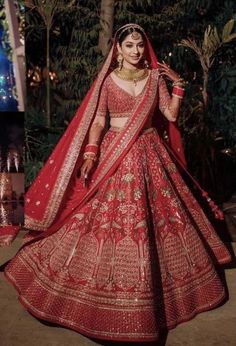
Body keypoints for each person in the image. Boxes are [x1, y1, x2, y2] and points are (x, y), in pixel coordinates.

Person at [4, 24, 231, 342]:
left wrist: (178, 85)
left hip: (151, 152)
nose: (137, 51)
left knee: (158, 221)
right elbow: (98, 120)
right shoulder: (108, 82)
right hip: (114, 153)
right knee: (98, 220)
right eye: (130, 46)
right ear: (118, 49)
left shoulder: (154, 79)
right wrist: (91, 153)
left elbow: (169, 115)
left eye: (140, 45)